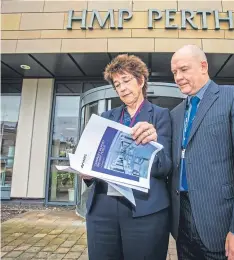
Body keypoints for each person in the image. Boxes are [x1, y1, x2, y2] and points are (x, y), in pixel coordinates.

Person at [169, 45, 234, 260]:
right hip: (183, 225)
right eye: (174, 72)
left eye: (184, 69)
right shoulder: (176, 113)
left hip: (223, 225)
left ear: (203, 66)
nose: (178, 77)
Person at [83, 54, 172, 260]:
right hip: (102, 211)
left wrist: (152, 143)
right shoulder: (106, 118)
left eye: (126, 80)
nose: (121, 88)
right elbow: (95, 160)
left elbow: (165, 165)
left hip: (145, 211)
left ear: (140, 81)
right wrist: (86, 172)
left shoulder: (160, 116)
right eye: (117, 84)